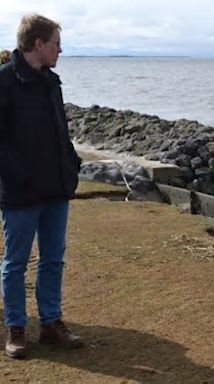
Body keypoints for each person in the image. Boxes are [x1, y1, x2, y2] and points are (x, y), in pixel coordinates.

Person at [0, 14, 84, 359]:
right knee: (15, 262)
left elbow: (59, 131)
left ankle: (51, 323)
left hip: (55, 187)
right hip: (20, 192)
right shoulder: (4, 82)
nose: (60, 49)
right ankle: (16, 328)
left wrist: (71, 164)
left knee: (53, 259)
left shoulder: (52, 81)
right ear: (38, 44)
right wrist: (19, 176)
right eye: (55, 43)